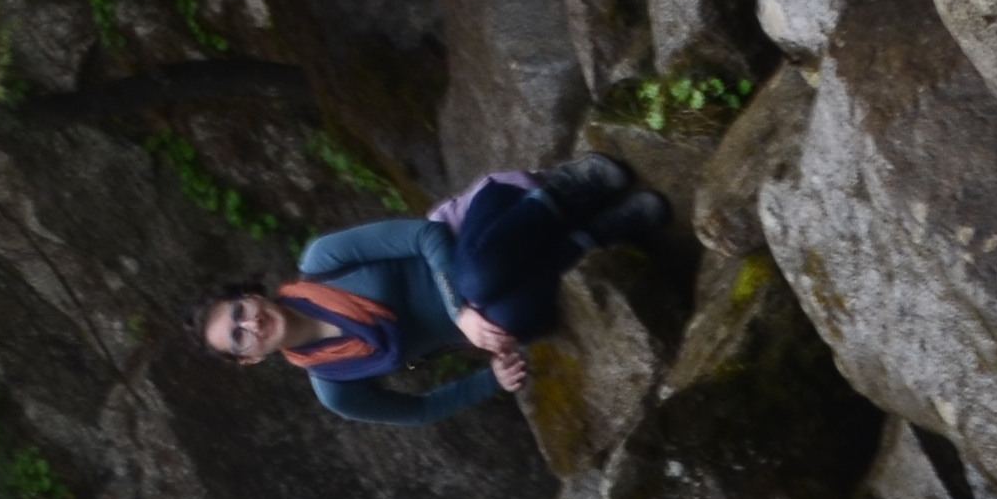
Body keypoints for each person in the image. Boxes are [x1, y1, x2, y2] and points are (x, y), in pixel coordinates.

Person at [198, 155, 674, 424]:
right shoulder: (336, 387)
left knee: (478, 280)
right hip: (491, 306)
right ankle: (598, 235)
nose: (251, 324)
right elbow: (420, 408)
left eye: (240, 310)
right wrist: (492, 379)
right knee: (513, 321)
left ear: (251, 295)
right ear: (250, 359)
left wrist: (457, 309)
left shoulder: (321, 262)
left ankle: (568, 190)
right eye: (239, 336)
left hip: (487, 228)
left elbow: (425, 236)